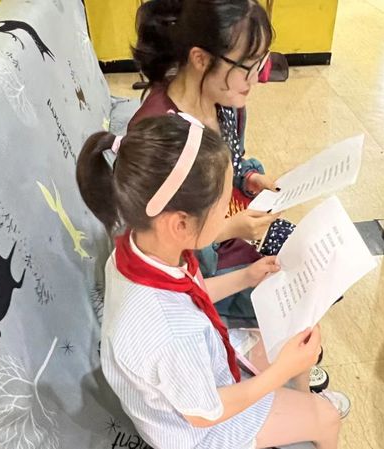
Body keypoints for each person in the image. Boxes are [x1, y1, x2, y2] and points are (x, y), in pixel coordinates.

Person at [76, 114, 347, 448]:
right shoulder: (170, 331)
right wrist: (281, 372)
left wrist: (245, 276)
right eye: (222, 206)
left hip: (196, 377)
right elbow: (205, 414)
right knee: (328, 417)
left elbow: (191, 292)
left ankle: (301, 407)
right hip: (198, 432)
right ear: (180, 224)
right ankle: (309, 414)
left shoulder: (136, 249)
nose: (230, 214)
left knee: (295, 334)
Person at [128, 0, 295, 321]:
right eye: (247, 67)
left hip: (228, 232)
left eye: (261, 64)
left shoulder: (225, 102)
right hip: (194, 267)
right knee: (291, 293)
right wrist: (229, 228)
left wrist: (249, 178)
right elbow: (158, 240)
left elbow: (233, 159)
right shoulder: (160, 135)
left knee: (312, 257)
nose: (256, 80)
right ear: (200, 59)